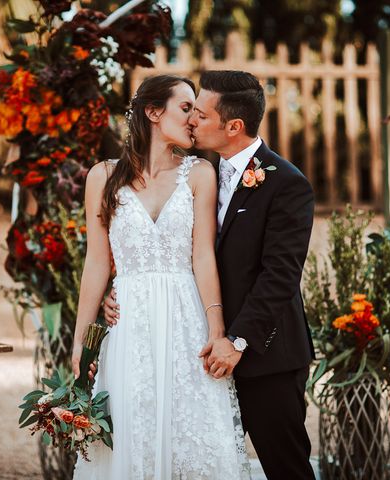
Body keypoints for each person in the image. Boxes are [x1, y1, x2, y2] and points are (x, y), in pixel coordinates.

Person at [104, 70, 316, 480]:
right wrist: (118, 292)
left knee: (285, 466)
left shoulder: (287, 185)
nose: (191, 121)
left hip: (263, 354)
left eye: (200, 114)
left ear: (233, 126)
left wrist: (236, 341)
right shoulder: (196, 173)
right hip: (193, 349)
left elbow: (280, 277)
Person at [71, 74, 250, 479]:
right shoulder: (102, 177)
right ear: (153, 112)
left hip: (186, 320)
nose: (194, 119)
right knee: (133, 426)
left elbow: (203, 257)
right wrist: (82, 337)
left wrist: (216, 331)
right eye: (186, 108)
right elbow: (97, 262)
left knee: (191, 432)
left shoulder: (199, 173)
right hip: (128, 325)